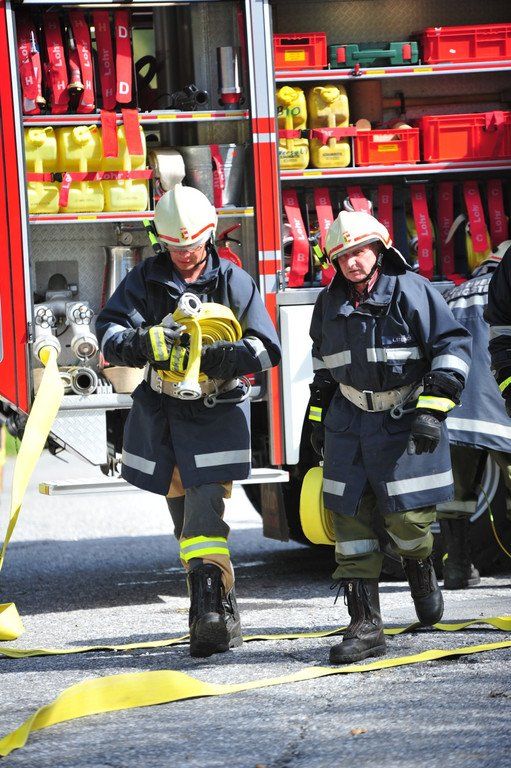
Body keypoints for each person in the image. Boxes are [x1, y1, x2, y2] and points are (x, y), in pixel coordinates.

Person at [96, 184, 281, 658]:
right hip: (163, 415)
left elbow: (267, 347)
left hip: (217, 413)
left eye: (193, 245)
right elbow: (109, 331)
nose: (184, 254)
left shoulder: (234, 280)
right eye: (174, 246)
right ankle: (222, 607)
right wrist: (142, 343)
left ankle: (208, 614)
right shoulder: (145, 279)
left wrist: (226, 356)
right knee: (186, 523)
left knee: (203, 513)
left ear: (210, 235)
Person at [308, 210, 472, 665]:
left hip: (401, 422)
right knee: (350, 523)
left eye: (360, 251)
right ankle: (365, 626)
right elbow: (323, 366)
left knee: (407, 523)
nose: (352, 262)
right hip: (348, 424)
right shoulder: (328, 304)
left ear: (379, 249)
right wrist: (318, 418)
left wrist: (433, 409)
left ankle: (420, 563)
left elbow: (452, 348)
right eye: (343, 255)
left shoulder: (412, 291)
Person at [441, 242, 511, 589]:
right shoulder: (504, 289)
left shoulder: (454, 294)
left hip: (454, 410)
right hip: (498, 406)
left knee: (455, 495)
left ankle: (457, 568)